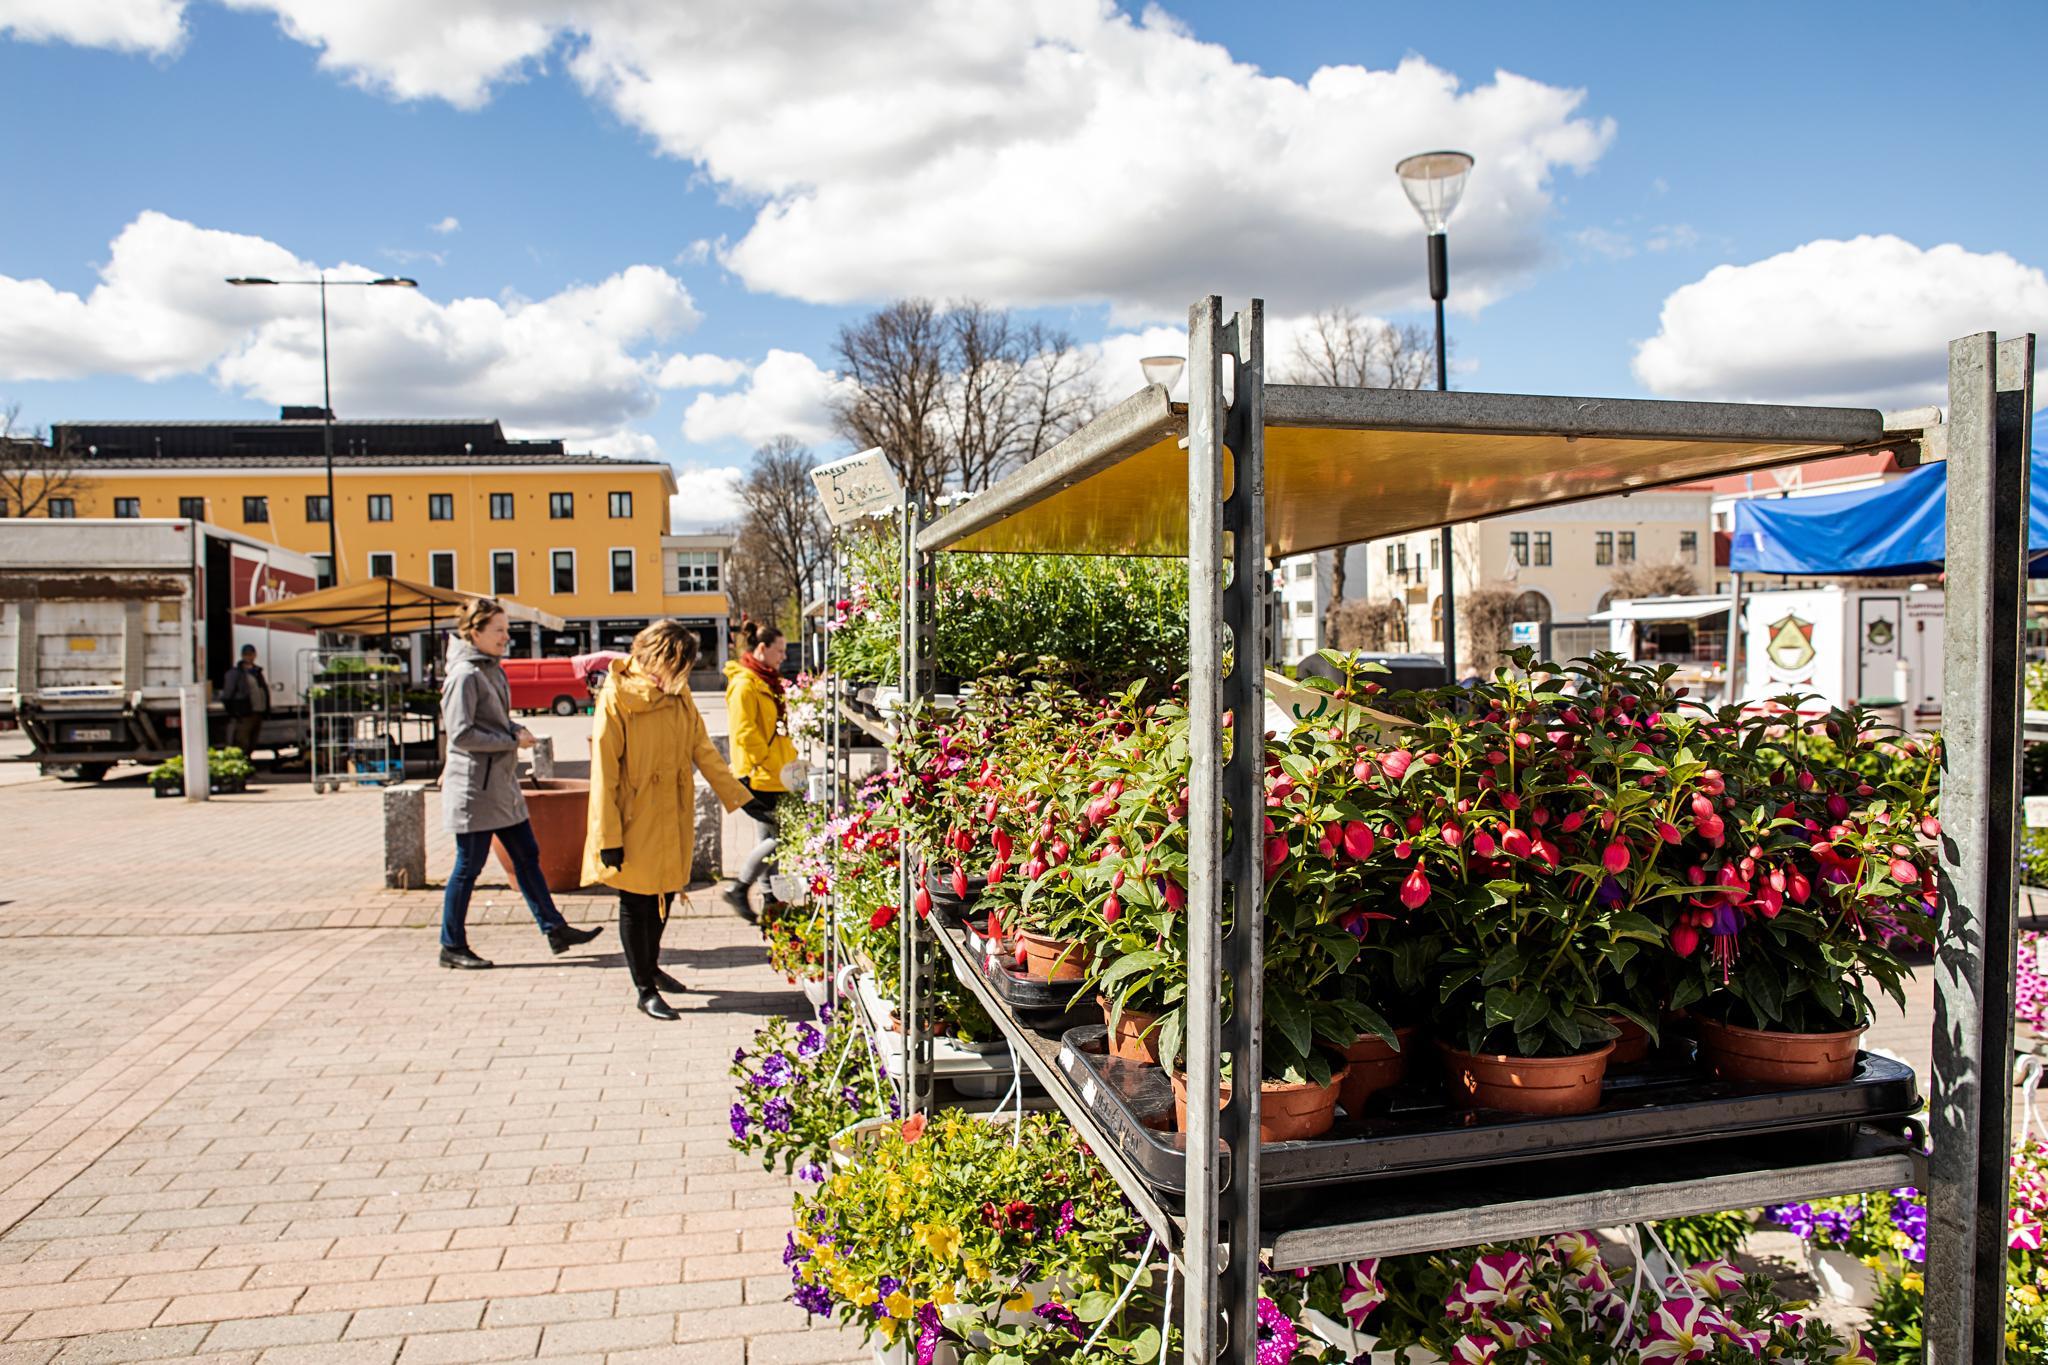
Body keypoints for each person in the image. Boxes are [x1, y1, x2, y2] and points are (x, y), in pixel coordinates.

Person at [584, 620, 750, 1020]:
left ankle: (651, 966)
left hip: (672, 813)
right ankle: (644, 988)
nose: (684, 675)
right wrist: (608, 836)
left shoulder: (678, 693)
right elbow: (604, 772)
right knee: (636, 901)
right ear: (660, 658)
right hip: (632, 818)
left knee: (665, 894)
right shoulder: (617, 696)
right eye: (681, 666)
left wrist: (740, 795)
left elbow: (702, 747)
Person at [438, 599, 604, 970]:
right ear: (474, 632)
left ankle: (554, 928)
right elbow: (462, 735)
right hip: (475, 789)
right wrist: (512, 740)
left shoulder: (490, 670)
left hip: (499, 785)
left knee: (528, 855)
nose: (505, 637)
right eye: (498, 630)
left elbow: (495, 720)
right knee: (468, 866)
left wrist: (514, 729)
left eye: (506, 630)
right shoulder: (464, 674)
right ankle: (451, 944)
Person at [717, 620, 799, 922]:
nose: (783, 657)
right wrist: (765, 758)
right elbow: (744, 733)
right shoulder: (744, 684)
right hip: (757, 776)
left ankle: (772, 903)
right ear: (762, 648)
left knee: (769, 837)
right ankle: (739, 888)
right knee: (786, 836)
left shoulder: (765, 681)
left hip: (774, 774)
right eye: (779, 650)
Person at [220, 644, 269, 758]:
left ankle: (248, 763)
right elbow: (227, 694)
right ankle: (240, 765)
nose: (249, 657)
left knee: (253, 741)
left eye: (251, 654)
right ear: (242, 656)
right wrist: (234, 711)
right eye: (246, 655)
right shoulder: (235, 673)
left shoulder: (257, 671)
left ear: (255, 655)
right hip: (244, 713)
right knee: (242, 742)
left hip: (258, 711)